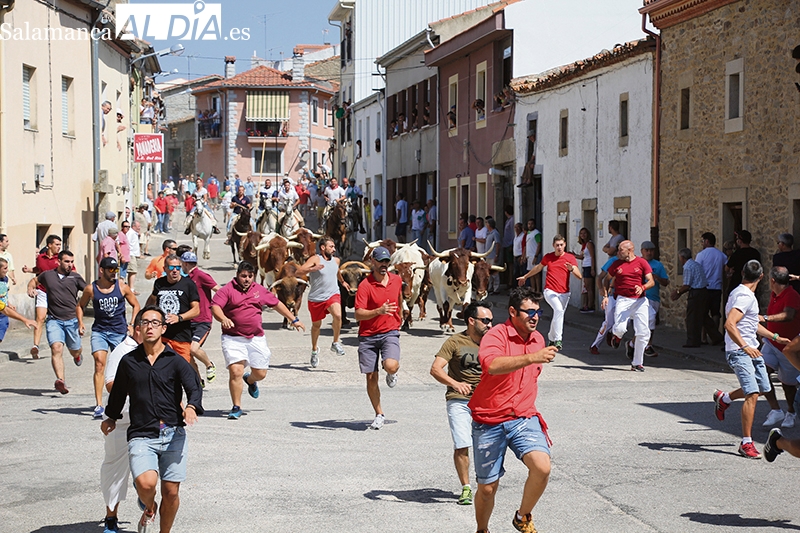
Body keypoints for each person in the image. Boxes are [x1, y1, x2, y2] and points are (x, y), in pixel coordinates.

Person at [101, 306, 203, 533]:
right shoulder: (129, 361)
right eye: (145, 323)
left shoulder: (174, 360)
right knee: (145, 484)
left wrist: (191, 406)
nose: (149, 327)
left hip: (173, 432)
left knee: (171, 492)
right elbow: (118, 393)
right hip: (141, 432)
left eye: (155, 323)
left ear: (163, 328)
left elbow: (193, 385)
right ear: (138, 328)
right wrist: (111, 417)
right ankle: (149, 505)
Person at [468, 287, 558, 533]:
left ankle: (522, 516)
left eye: (538, 312)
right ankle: (482, 529)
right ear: (512, 311)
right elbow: (492, 365)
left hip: (523, 417)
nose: (535, 317)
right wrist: (531, 357)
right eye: (529, 311)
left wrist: (533, 357)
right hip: (489, 420)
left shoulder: (537, 339)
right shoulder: (496, 335)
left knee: (542, 467)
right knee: (487, 489)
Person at [713, 260, 789, 459]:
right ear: (762, 276)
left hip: (751, 349)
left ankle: (725, 398)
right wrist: (744, 347)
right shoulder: (744, 297)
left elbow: (751, 324)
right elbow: (730, 324)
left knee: (764, 387)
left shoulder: (745, 295)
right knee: (753, 392)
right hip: (740, 351)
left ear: (742, 273)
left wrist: (774, 337)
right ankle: (746, 442)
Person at [211, 261, 305, 419]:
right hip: (232, 338)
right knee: (235, 372)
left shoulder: (259, 290)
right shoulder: (227, 289)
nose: (246, 279)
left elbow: (276, 304)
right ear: (237, 276)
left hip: (256, 337)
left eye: (250, 276)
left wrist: (293, 319)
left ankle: (250, 379)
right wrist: (223, 318)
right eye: (243, 276)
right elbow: (215, 307)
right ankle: (236, 406)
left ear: (253, 276)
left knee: (260, 373)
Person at [429, 301, 493, 507]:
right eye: (485, 321)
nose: (490, 325)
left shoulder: (493, 343)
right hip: (459, 400)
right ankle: (466, 487)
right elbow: (436, 369)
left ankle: (485, 483)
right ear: (471, 321)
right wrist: (456, 383)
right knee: (462, 443)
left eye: (491, 321)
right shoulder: (454, 342)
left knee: (485, 445)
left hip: (486, 402)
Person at [77, 257, 140, 419]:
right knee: (99, 363)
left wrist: (132, 324)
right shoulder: (91, 289)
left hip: (119, 332)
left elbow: (136, 305)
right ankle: (99, 405)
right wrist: (80, 323)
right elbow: (80, 305)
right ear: (102, 270)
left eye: (116, 270)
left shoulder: (121, 287)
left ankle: (126, 399)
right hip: (100, 331)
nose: (114, 273)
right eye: (110, 270)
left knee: (123, 365)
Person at [99, 310, 142, 533]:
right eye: (147, 325)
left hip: (145, 419)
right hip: (121, 419)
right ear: (137, 329)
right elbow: (110, 385)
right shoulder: (122, 352)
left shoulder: (155, 352)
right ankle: (111, 518)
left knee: (149, 464)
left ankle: (143, 488)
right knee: (114, 470)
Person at [354, 246, 403, 430]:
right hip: (368, 336)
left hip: (390, 331)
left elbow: (398, 298)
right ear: (372, 262)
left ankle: (391, 371)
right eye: (380, 261)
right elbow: (358, 314)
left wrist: (401, 316)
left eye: (386, 261)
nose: (384, 265)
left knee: (391, 365)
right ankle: (379, 414)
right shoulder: (365, 286)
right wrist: (378, 311)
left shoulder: (397, 280)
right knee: (371, 378)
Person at [26, 250, 86, 393]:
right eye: (67, 261)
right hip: (54, 320)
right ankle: (61, 380)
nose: (70, 265)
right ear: (58, 262)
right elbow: (35, 280)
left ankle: (77, 356)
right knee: (56, 348)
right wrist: (30, 288)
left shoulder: (75, 277)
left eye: (72, 262)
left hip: (72, 321)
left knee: (75, 349)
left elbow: (90, 290)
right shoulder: (48, 275)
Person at [517, 234, 581, 351]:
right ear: (553, 246)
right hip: (550, 291)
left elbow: (579, 276)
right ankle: (558, 339)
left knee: (558, 314)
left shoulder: (569, 258)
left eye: (561, 245)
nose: (559, 247)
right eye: (557, 245)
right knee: (558, 310)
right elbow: (538, 268)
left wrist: (571, 269)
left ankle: (551, 338)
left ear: (565, 245)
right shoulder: (548, 257)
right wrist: (525, 276)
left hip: (564, 293)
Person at [757, 266, 800, 429]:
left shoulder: (792, 295)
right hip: (772, 343)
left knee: (788, 385)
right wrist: (767, 333)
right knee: (761, 371)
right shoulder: (774, 294)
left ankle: (791, 412)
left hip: (789, 347)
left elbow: (788, 315)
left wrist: (765, 317)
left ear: (773, 280)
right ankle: (775, 410)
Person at [295, 237, 347, 368]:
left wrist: (343, 282)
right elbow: (298, 271)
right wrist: (312, 269)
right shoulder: (315, 259)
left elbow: (337, 271)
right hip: (316, 298)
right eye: (331, 246)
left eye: (334, 247)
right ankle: (314, 350)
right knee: (316, 326)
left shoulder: (336, 260)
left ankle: (335, 343)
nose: (334, 249)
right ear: (323, 248)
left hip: (333, 294)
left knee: (338, 315)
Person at [603, 241, 655, 372]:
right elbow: (606, 279)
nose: (618, 252)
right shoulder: (616, 264)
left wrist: (642, 287)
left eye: (621, 250)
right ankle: (615, 333)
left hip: (640, 301)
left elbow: (651, 281)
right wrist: (605, 295)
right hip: (623, 299)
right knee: (620, 328)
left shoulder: (642, 263)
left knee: (643, 333)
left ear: (630, 250)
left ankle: (637, 363)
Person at [146, 255, 200, 366]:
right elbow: (152, 300)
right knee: (162, 366)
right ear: (165, 268)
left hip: (181, 335)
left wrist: (179, 318)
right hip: (162, 334)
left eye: (178, 268)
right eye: (171, 268)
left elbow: (196, 310)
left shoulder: (188, 284)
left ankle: (197, 382)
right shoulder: (159, 283)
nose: (175, 271)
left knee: (185, 367)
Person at [180, 252, 219, 386]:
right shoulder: (185, 278)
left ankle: (209, 365)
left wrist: (219, 307)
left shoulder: (201, 276)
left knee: (193, 349)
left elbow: (218, 290)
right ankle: (198, 380)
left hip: (203, 320)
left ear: (184, 263)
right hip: (188, 320)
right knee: (186, 353)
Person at [671, 248, 723, 347]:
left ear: (682, 257)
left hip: (696, 293)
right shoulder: (696, 264)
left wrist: (678, 292)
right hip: (704, 291)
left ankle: (693, 341)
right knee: (704, 317)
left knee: (692, 318)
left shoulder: (687, 267)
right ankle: (716, 336)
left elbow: (687, 285)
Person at [22, 234, 62, 358]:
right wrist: (29, 270)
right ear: (49, 245)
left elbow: (71, 271)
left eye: (60, 245)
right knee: (40, 318)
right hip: (42, 291)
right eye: (57, 244)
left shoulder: (60, 259)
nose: (59, 247)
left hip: (57, 293)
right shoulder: (40, 258)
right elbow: (40, 269)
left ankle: (59, 343)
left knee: (59, 319)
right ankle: (36, 346)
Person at [639, 241, 669, 357]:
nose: (649, 252)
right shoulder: (637, 263)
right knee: (647, 320)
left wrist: (657, 278)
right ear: (642, 251)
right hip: (640, 297)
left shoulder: (658, 265)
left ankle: (643, 344)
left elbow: (666, 282)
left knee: (650, 322)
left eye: (651, 250)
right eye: (646, 250)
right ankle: (645, 345)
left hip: (654, 298)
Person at [696, 232, 727, 340]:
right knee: (715, 312)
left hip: (705, 287)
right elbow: (726, 269)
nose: (702, 243)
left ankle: (704, 337)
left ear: (707, 241)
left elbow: (697, 270)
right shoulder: (721, 255)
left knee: (704, 313)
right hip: (717, 287)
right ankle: (715, 335)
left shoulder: (701, 255)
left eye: (702, 241)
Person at [589, 250, 622, 355]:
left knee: (626, 320)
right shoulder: (613, 261)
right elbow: (601, 277)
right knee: (608, 322)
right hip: (612, 295)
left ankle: (612, 332)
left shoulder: (633, 262)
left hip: (626, 297)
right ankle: (595, 345)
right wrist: (604, 293)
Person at [0, 258, 36, 341]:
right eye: (5, 268)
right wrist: (25, 320)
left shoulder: (5, 279)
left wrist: (8, 303)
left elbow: (4, 297)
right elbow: (5, 310)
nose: (7, 270)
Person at [725, 230, 761, 303]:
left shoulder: (737, 254)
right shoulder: (755, 253)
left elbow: (726, 268)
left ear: (740, 241)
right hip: (752, 283)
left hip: (737, 282)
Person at [574, 228, 596, 313]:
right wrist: (574, 255)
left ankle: (590, 305)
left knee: (589, 288)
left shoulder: (589, 244)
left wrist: (593, 268)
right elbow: (582, 256)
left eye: (584, 233)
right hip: (585, 266)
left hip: (589, 266)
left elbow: (592, 256)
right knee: (586, 287)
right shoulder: (584, 245)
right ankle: (586, 304)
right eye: (581, 233)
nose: (583, 235)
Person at [484, 219, 502, 294]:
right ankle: (490, 287)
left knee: (495, 273)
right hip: (488, 256)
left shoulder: (495, 233)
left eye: (487, 224)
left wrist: (497, 255)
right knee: (489, 273)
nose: (486, 225)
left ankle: (496, 288)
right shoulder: (489, 233)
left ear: (490, 225)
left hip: (493, 255)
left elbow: (498, 244)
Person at [525, 219, 542, 292]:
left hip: (534, 256)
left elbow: (539, 244)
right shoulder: (528, 233)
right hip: (529, 256)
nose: (530, 225)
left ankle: (538, 290)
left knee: (536, 274)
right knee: (531, 274)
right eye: (529, 224)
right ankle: (533, 289)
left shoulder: (537, 233)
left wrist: (536, 256)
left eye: (531, 224)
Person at [126, 220, 142, 294]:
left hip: (134, 254)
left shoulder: (134, 233)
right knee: (133, 271)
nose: (139, 228)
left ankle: (131, 288)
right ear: (133, 226)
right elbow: (127, 243)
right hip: (131, 254)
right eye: (138, 226)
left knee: (133, 272)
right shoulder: (131, 233)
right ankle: (131, 289)